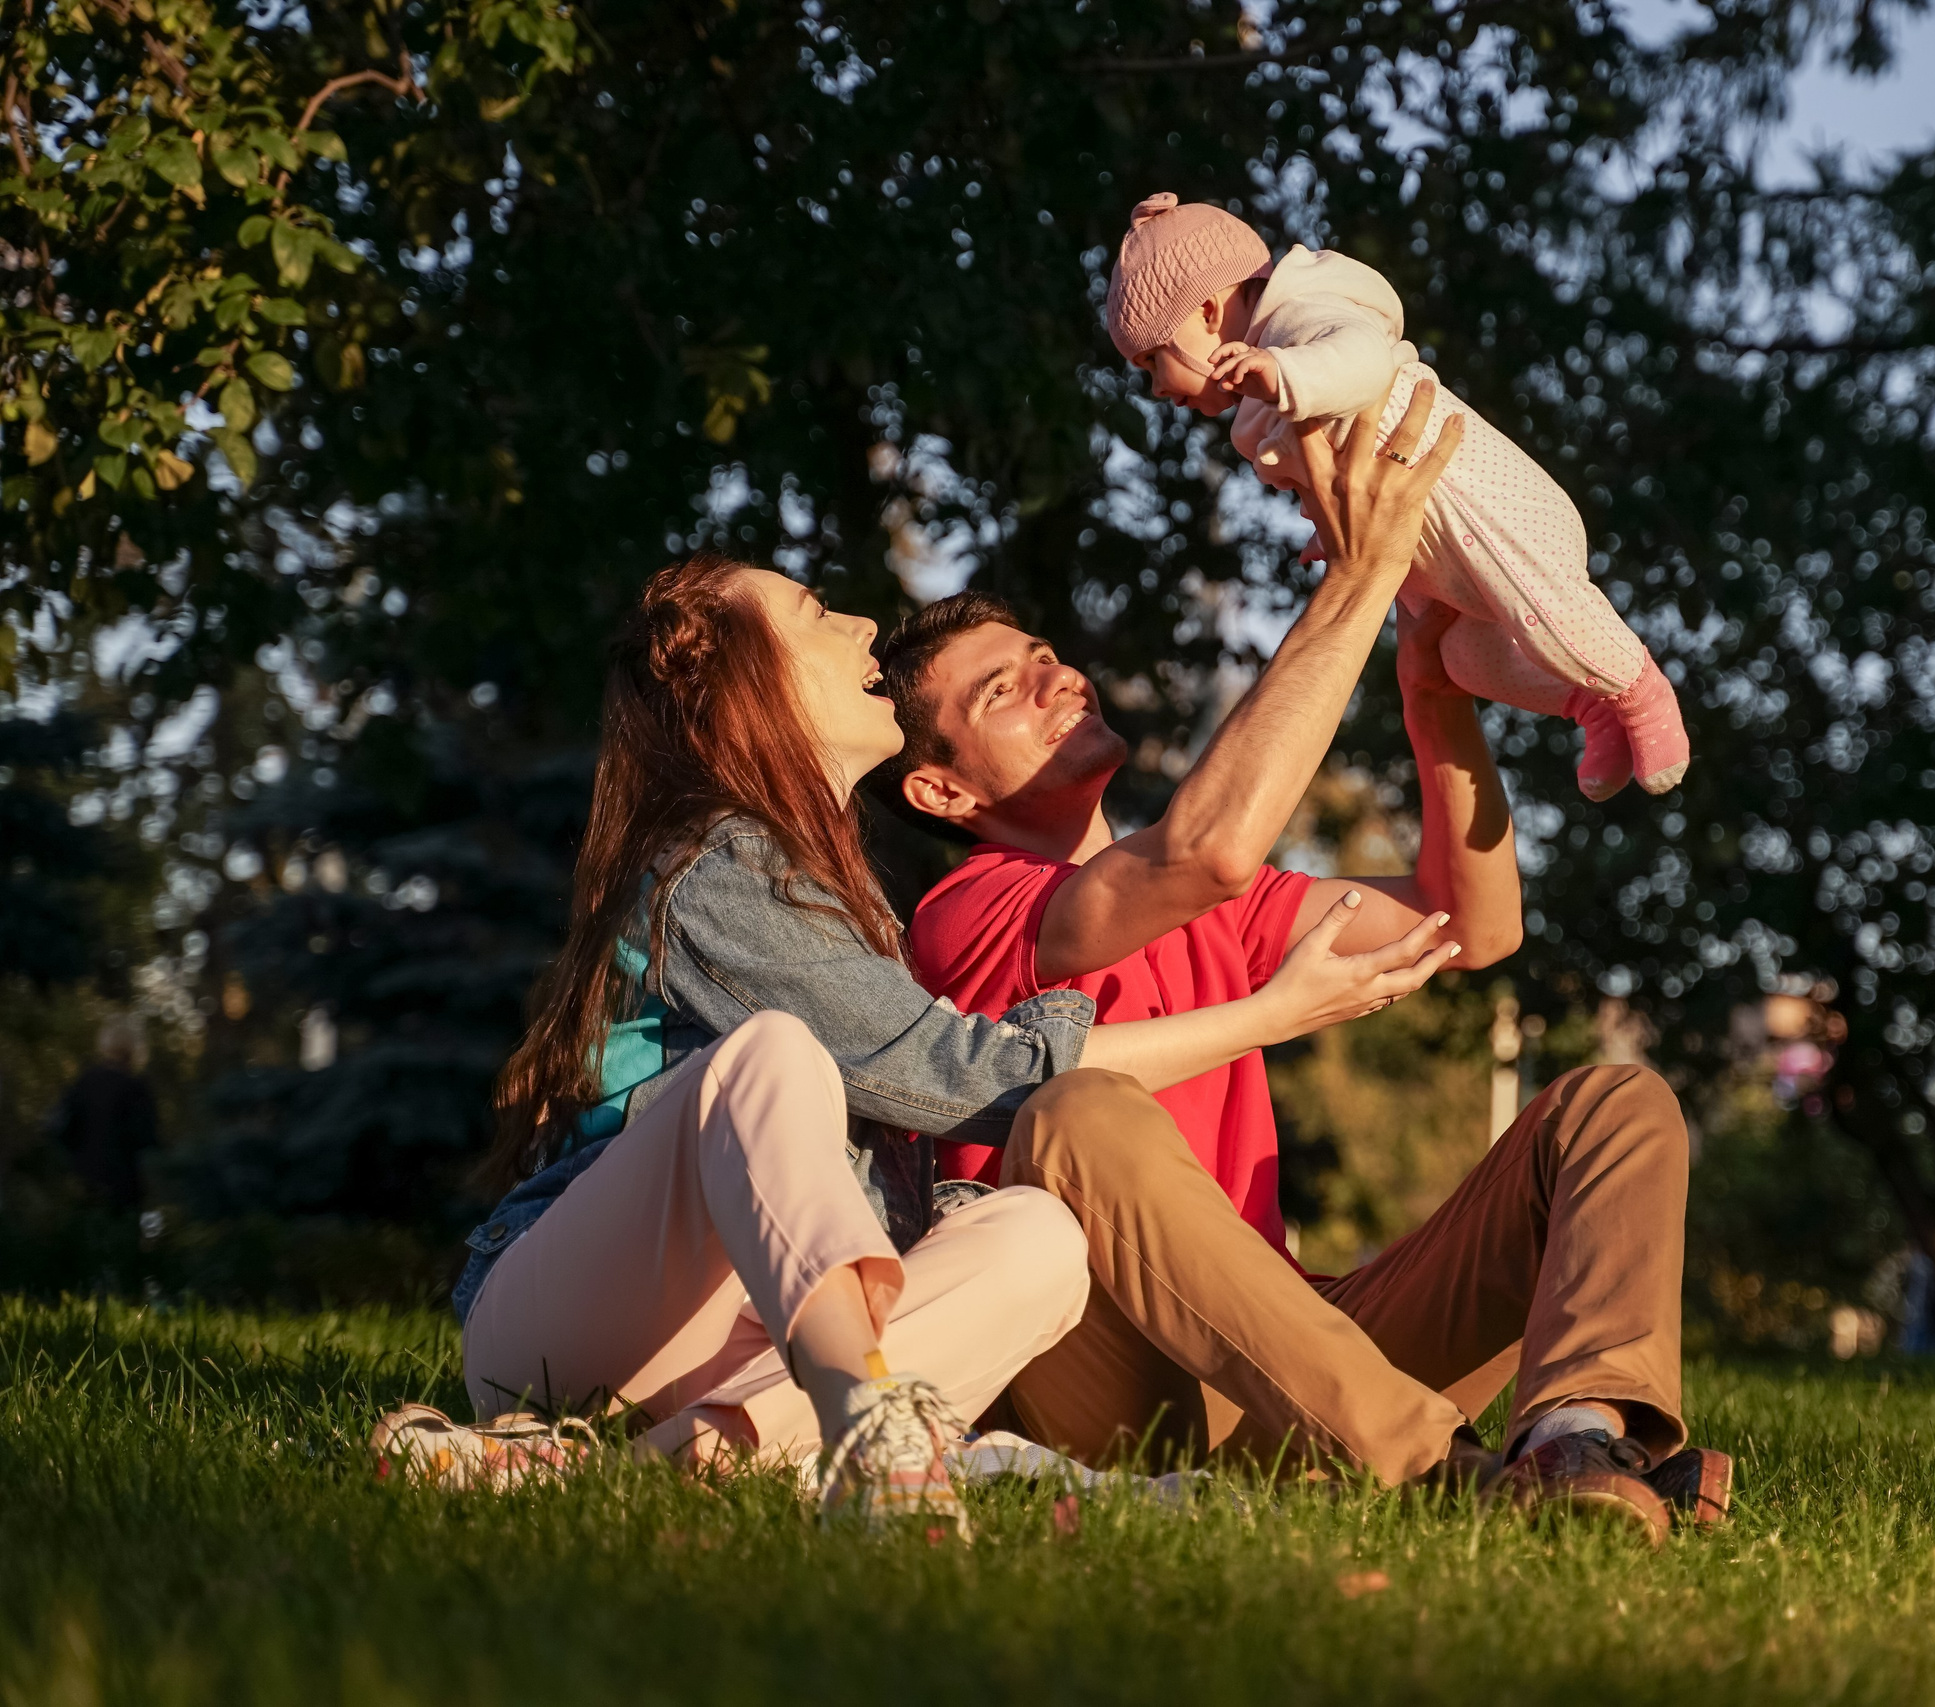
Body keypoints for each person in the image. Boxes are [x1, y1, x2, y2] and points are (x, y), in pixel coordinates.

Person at [386, 548, 1455, 1534]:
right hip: (574, 1321)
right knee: (773, 1057)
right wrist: (1274, 1016)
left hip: (745, 1345)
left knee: (1038, 1237)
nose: (858, 626)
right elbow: (952, 1077)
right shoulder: (715, 863)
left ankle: (605, 1472)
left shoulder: (843, 896)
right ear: (741, 690)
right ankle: (869, 1425)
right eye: (814, 614)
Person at [879, 389, 1726, 1546]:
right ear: (944, 791)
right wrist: (1361, 574)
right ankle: (1443, 1474)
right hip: (1121, 1384)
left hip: (1291, 1360)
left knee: (1613, 1106)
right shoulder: (967, 911)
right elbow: (1206, 851)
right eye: (1003, 693)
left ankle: (1572, 1435)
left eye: (1042, 658)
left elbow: (1469, 927)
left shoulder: (1209, 904)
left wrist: (1434, 702)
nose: (1055, 679)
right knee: (1077, 1112)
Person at [1106, 190, 1687, 802]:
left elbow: (1361, 363)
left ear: (1205, 311)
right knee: (1462, 660)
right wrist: (1327, 531)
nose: (1155, 388)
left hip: (1482, 506)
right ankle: (1591, 707)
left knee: (1550, 613)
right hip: (1436, 563)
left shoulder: (1301, 320)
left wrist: (1284, 372)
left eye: (1152, 361)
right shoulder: (1260, 395)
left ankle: (1640, 695)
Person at [44, 1016, 159, 1214]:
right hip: (125, 1186)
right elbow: (148, 1139)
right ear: (135, 1048)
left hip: (85, 1182)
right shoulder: (135, 1087)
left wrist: (78, 1158)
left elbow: (58, 1127)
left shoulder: (84, 1082)